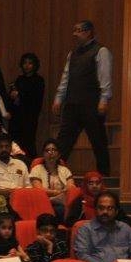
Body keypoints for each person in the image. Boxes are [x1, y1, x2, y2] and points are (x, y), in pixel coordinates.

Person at [52, 20, 113, 175]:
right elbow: (65, 78)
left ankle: (104, 175)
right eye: (75, 30)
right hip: (72, 103)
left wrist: (104, 99)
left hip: (92, 104)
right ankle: (54, 172)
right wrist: (59, 98)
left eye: (78, 30)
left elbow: (105, 77)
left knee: (98, 141)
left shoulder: (101, 51)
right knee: (64, 141)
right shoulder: (72, 54)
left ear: (88, 32)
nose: (75, 34)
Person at [8, 52, 45, 158]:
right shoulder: (19, 79)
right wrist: (12, 95)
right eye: (25, 63)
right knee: (15, 142)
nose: (27, 66)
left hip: (30, 116)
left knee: (28, 142)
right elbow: (12, 99)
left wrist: (19, 94)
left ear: (35, 65)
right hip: (16, 117)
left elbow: (36, 98)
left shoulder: (39, 80)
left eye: (30, 63)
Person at [65, 170, 131, 226]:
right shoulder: (80, 201)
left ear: (101, 184)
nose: (94, 186)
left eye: (97, 183)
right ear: (85, 185)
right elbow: (69, 222)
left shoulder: (109, 199)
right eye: (91, 183)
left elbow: (126, 220)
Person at [29, 140, 74, 220]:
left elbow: (71, 186)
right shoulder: (36, 169)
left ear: (59, 154)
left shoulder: (65, 170)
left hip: (63, 202)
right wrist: (58, 193)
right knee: (60, 210)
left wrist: (64, 192)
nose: (50, 152)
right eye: (47, 150)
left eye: (54, 150)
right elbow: (38, 190)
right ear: (43, 154)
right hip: (43, 202)